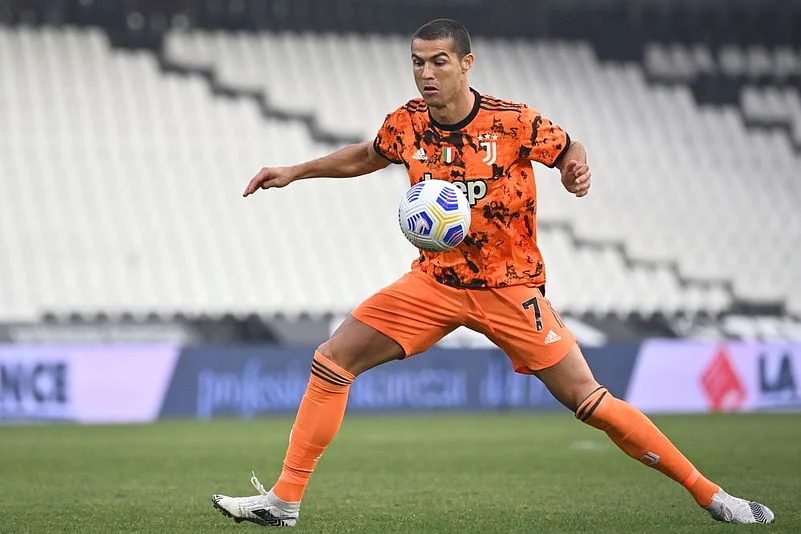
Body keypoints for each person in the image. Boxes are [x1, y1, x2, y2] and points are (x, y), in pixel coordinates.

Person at [211, 19, 774, 527]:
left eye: (438, 61)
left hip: (510, 288)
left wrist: (574, 166)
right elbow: (368, 156)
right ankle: (283, 502)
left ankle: (712, 495)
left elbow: (567, 146)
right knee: (333, 360)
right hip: (436, 281)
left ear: (466, 64)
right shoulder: (407, 123)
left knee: (590, 401)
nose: (425, 73)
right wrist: (295, 171)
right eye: (417, 62)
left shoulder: (512, 121)